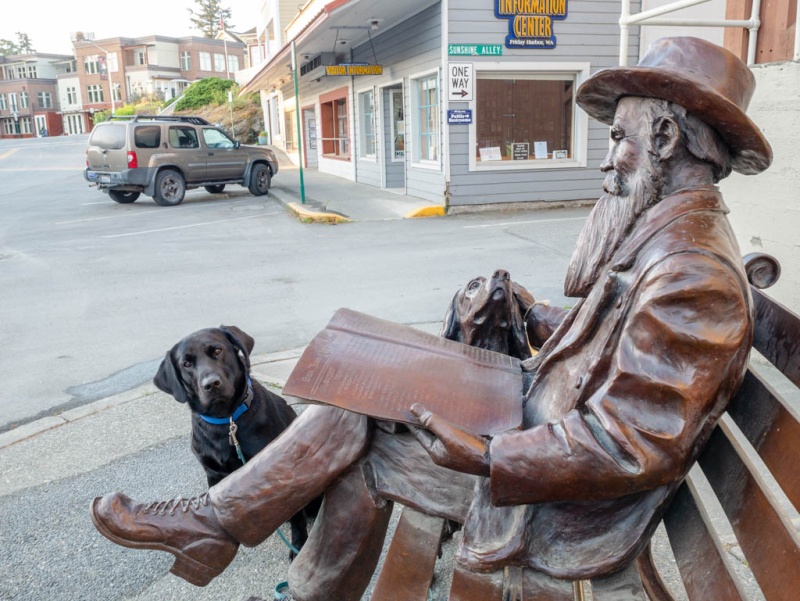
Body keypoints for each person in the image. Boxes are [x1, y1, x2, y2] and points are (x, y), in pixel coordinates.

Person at [91, 37, 772, 599]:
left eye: (618, 137)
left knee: (357, 430)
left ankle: (220, 528)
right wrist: (534, 312)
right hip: (540, 430)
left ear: (663, 137)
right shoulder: (669, 243)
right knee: (359, 402)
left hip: (563, 504)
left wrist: (483, 453)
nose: (606, 159)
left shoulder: (694, 277)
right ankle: (239, 541)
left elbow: (631, 442)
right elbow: (611, 348)